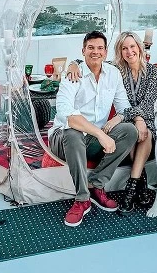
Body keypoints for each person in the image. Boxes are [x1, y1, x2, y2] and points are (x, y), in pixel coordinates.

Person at [48, 31, 138, 227]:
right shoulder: (72, 74)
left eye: (99, 48)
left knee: (130, 131)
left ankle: (96, 184)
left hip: (94, 139)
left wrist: (115, 121)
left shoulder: (113, 74)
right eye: (90, 48)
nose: (95, 52)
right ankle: (82, 199)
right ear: (83, 51)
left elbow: (124, 108)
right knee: (73, 133)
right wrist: (100, 135)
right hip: (63, 138)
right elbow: (67, 115)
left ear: (105, 52)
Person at [67, 31, 157, 214]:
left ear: (139, 47)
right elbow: (93, 58)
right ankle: (140, 182)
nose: (129, 51)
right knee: (132, 131)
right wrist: (73, 64)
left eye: (132, 46)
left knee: (146, 134)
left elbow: (148, 104)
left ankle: (132, 186)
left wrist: (124, 117)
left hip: (147, 118)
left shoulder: (153, 71)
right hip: (127, 120)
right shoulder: (117, 69)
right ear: (120, 51)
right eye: (124, 48)